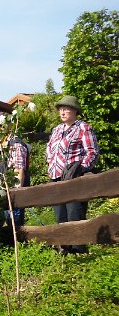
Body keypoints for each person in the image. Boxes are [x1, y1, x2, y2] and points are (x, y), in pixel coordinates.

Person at [46, 95, 100, 252]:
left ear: (75, 111)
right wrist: (50, 163)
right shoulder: (56, 129)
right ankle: (65, 249)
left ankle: (79, 250)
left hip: (73, 179)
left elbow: (92, 152)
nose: (62, 112)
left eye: (66, 109)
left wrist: (81, 168)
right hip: (56, 178)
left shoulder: (83, 128)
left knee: (74, 215)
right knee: (60, 216)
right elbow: (49, 149)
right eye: (60, 109)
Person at [0, 133, 30, 227]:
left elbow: (19, 170)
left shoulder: (16, 145)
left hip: (10, 196)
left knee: (14, 226)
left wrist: (16, 196)